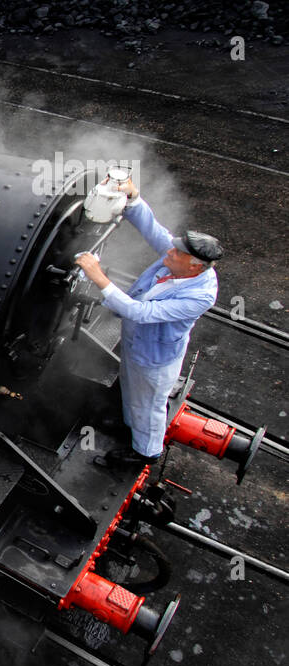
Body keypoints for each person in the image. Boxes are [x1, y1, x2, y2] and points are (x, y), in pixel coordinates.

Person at [75, 178, 223, 469]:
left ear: (194, 265)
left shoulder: (199, 296)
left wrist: (98, 277)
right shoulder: (180, 261)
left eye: (176, 253)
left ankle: (145, 452)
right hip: (137, 343)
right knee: (131, 390)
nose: (168, 252)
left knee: (150, 404)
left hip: (155, 357)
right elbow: (154, 230)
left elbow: (140, 312)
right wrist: (133, 198)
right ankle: (130, 427)